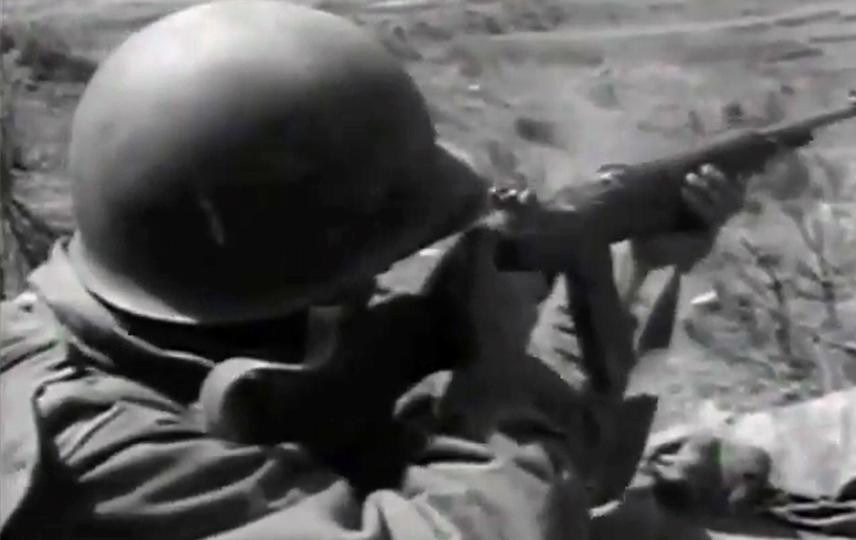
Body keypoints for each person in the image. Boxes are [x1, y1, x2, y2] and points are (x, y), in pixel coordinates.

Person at [0, 1, 746, 538]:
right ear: (282, 273)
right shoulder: (93, 449)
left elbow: (568, 478)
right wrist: (506, 363)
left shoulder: (191, 336)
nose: (372, 292)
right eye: (363, 271)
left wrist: (634, 272)